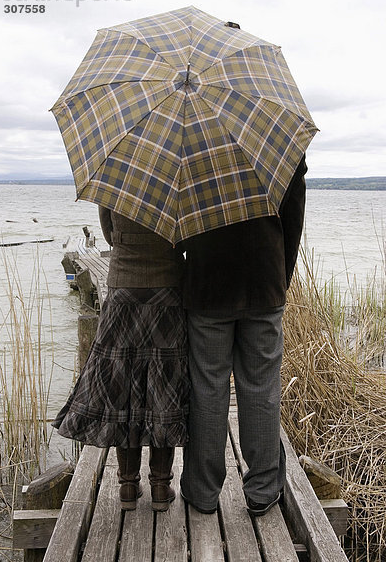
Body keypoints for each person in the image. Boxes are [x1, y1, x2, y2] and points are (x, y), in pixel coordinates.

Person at [180, 155, 307, 517]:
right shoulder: (276, 139)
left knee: (207, 387)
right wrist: (281, 274)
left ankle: (202, 493)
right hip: (264, 280)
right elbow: (293, 216)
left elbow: (178, 217)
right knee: (261, 385)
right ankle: (263, 490)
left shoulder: (191, 137)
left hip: (208, 283)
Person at [53, 208, 189, 512]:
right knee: (163, 385)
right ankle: (160, 486)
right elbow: (183, 240)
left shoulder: (119, 178)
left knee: (121, 383)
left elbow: (110, 235)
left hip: (123, 287)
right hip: (167, 288)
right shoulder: (176, 179)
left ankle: (128, 485)